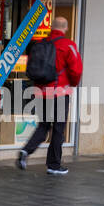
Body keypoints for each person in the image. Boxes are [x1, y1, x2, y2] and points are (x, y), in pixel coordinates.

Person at [17, 16, 82, 175]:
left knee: (44, 125)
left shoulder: (39, 44)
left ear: (51, 28)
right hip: (59, 93)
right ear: (65, 28)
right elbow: (76, 70)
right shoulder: (68, 45)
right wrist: (72, 84)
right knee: (58, 129)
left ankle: (26, 150)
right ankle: (54, 165)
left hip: (40, 92)